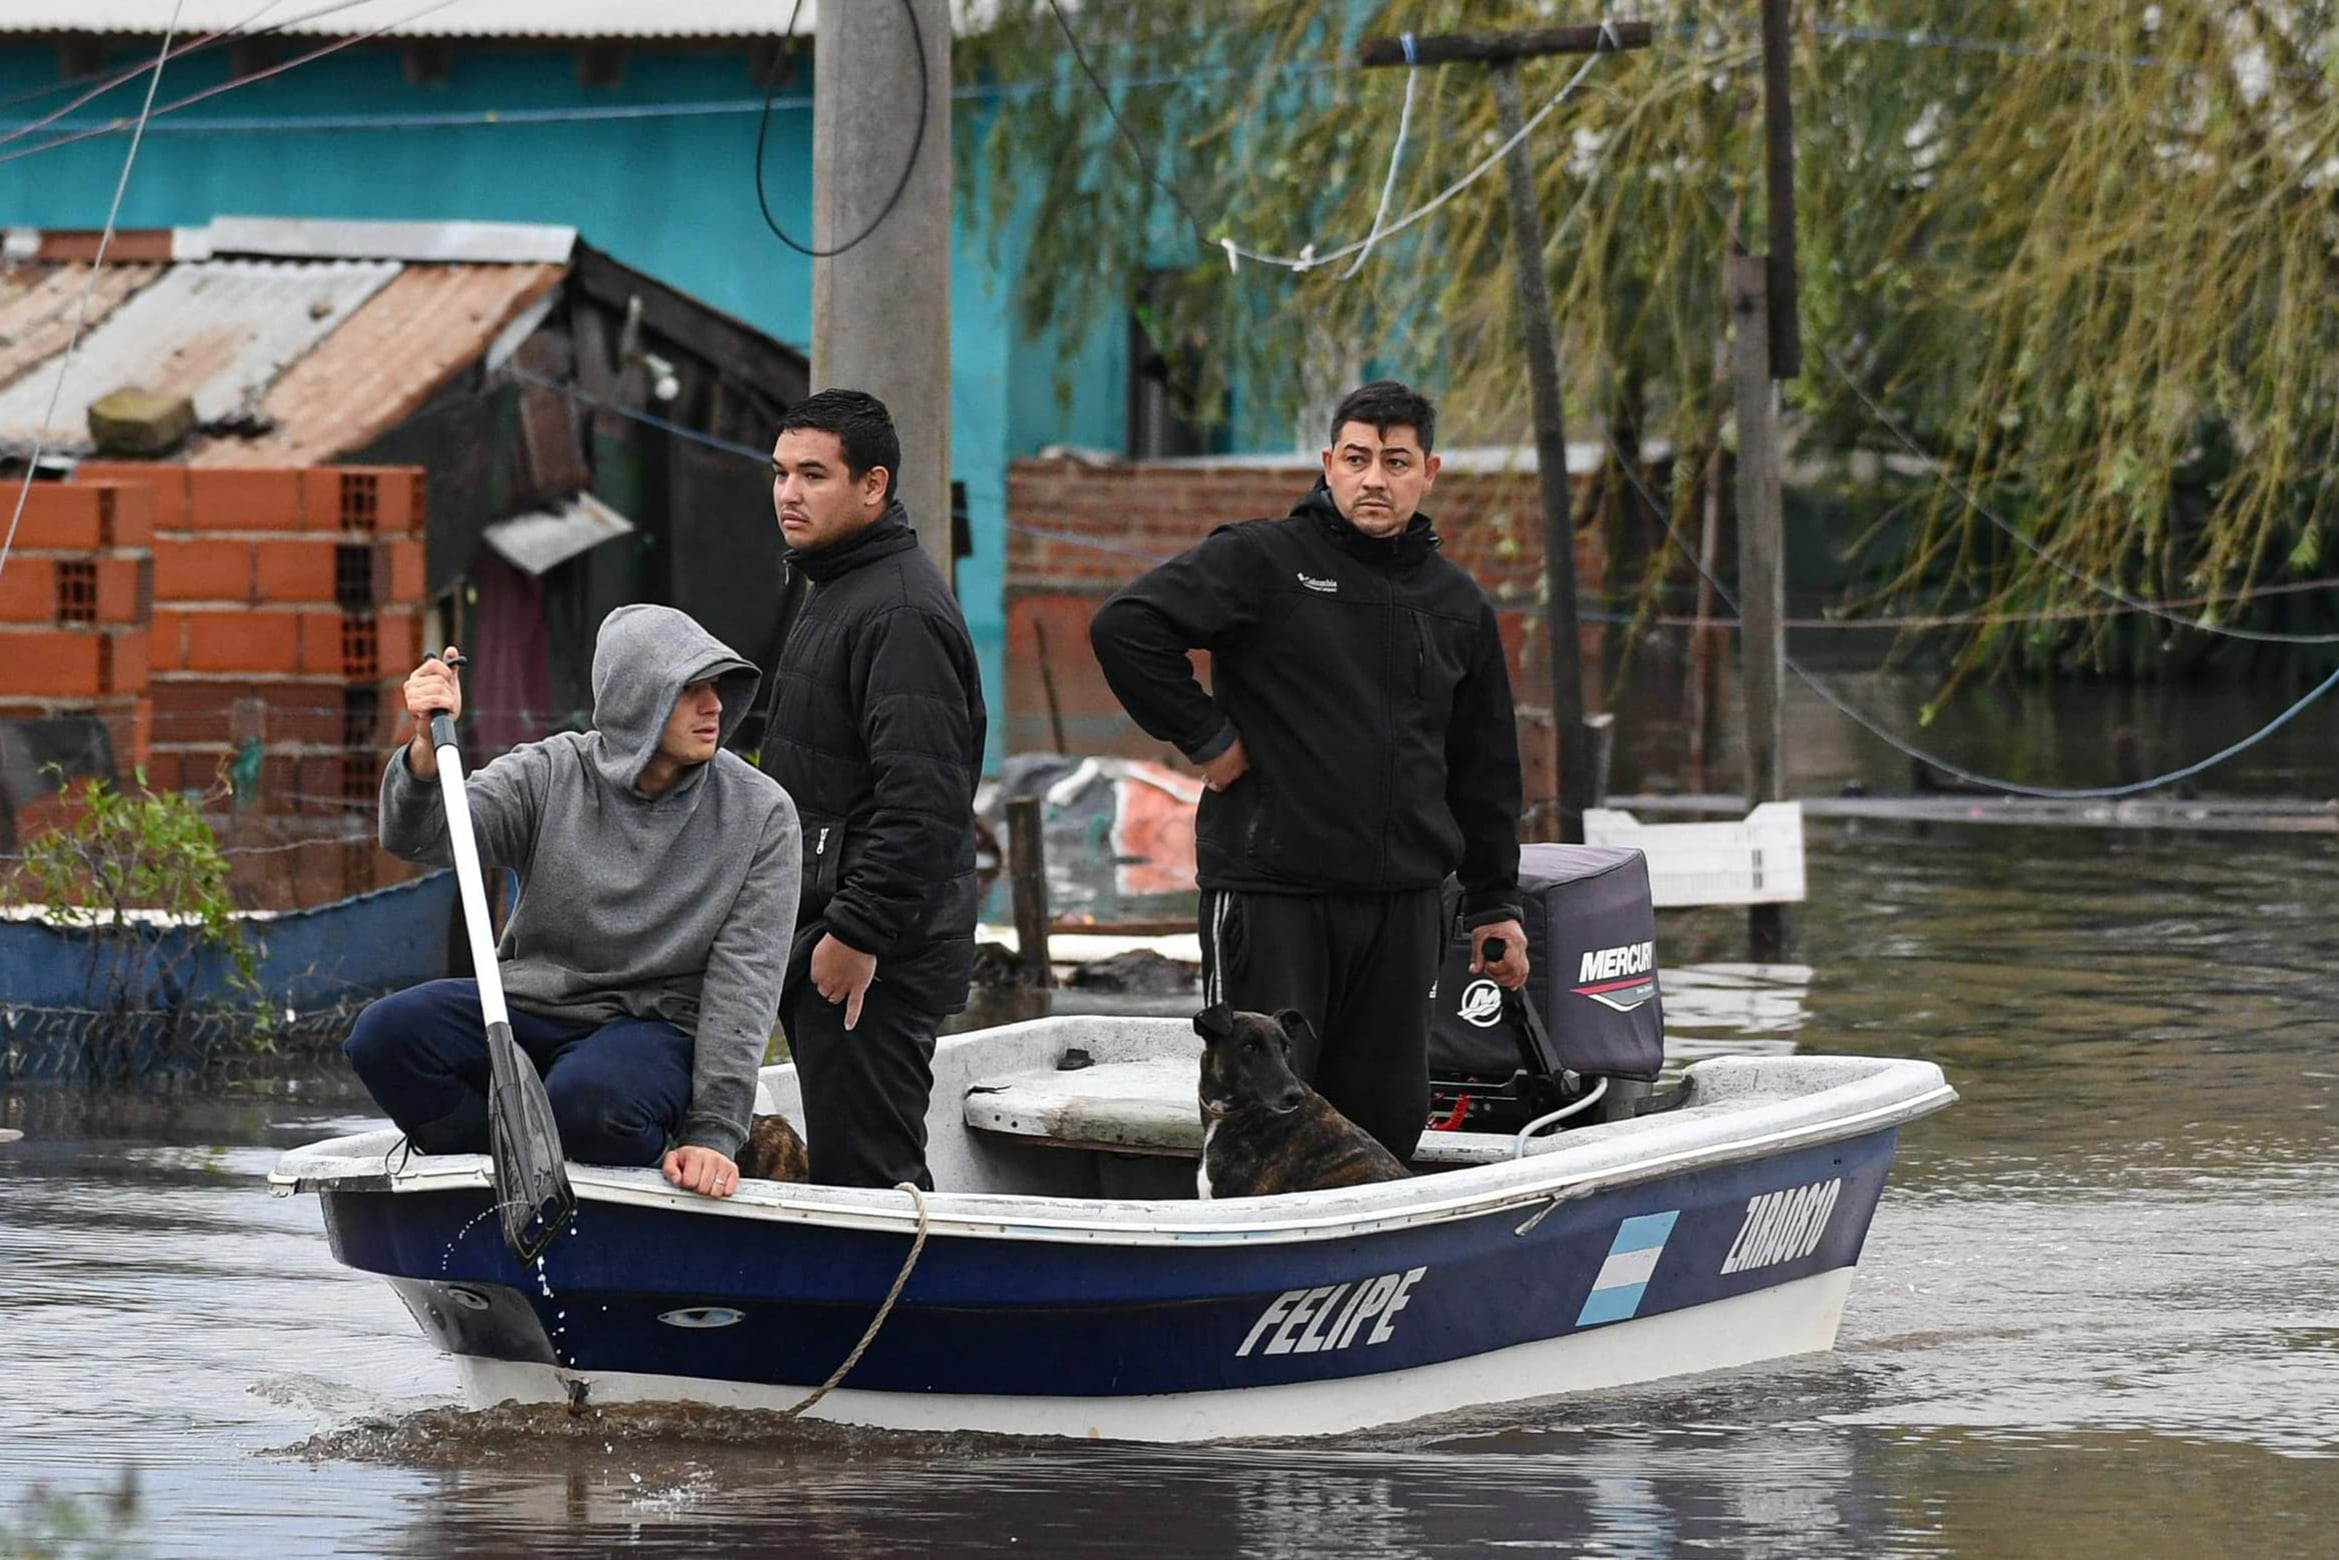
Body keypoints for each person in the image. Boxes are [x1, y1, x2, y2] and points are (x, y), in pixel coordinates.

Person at [1089, 379, 1530, 1163]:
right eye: (1356, 459)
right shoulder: (1264, 559)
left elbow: (1484, 762)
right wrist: (1206, 738)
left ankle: (1372, 1244)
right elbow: (1127, 627)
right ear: (1328, 464)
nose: (1373, 479)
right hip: (1275, 895)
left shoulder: (1456, 603)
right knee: (1261, 1119)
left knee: (1385, 1122)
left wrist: (1495, 900)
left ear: (1428, 472)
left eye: (1395, 462)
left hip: (1402, 908)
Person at [344, 605, 800, 1201]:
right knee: (384, 1037)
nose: (714, 705)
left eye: (717, 686)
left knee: (587, 1104)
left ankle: (651, 1155)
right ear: (637, 698)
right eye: (691, 690)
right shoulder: (551, 772)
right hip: (531, 1006)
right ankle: (501, 1177)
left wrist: (714, 1132)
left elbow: (745, 986)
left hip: (654, 1030)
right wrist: (427, 750)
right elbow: (421, 835)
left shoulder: (761, 814)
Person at [757, 388, 986, 1191]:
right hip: (833, 930)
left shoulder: (898, 612)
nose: (789, 493)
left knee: (872, 1181)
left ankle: (912, 1284)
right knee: (851, 1170)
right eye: (781, 472)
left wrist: (856, 933)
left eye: (813, 474)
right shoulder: (840, 589)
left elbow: (924, 802)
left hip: (874, 953)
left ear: (872, 485)